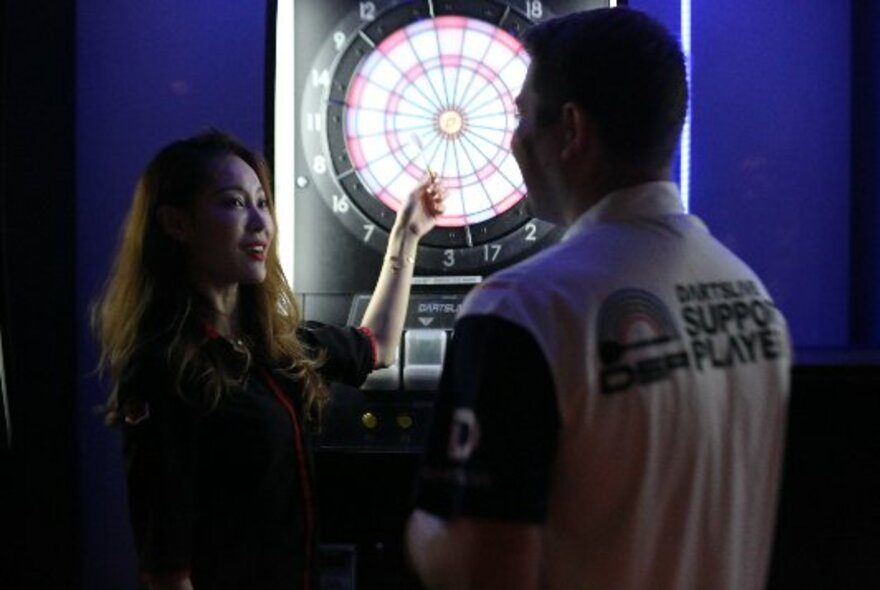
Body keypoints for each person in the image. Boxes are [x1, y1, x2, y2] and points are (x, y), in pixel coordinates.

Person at [406, 7, 791, 590]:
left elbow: (480, 570)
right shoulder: (753, 299)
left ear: (571, 130)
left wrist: (421, 523)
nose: (512, 143)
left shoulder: (521, 310)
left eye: (520, 118)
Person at [92, 129, 445, 590]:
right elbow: (167, 570)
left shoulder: (272, 344)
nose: (260, 222)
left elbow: (375, 345)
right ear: (176, 224)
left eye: (262, 201)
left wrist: (407, 233)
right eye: (234, 203)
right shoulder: (163, 369)